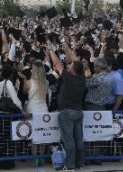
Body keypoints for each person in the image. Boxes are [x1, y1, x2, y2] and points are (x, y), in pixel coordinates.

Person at [49, 43, 86, 171]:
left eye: (71, 65)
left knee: (69, 140)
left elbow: (57, 63)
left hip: (67, 113)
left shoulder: (68, 77)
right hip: (78, 111)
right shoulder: (82, 79)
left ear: (74, 69)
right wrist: (66, 47)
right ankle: (80, 163)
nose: (69, 65)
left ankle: (69, 165)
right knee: (79, 140)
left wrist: (50, 49)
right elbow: (76, 61)